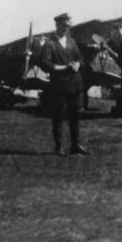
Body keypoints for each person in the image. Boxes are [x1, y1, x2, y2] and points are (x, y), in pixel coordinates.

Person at [40, 13, 89, 156]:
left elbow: (79, 57)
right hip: (59, 85)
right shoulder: (50, 43)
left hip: (75, 84)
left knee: (75, 115)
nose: (66, 29)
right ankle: (59, 146)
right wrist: (62, 68)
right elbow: (45, 63)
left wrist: (78, 64)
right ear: (57, 25)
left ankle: (75, 145)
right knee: (58, 115)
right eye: (63, 26)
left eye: (68, 27)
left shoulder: (71, 41)